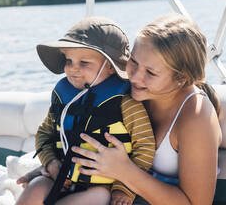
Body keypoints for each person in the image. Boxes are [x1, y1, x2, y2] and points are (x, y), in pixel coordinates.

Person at [70, 13, 222, 205]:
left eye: (150, 72)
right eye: (133, 61)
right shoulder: (127, 94)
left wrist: (125, 171)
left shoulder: (196, 118)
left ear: (181, 78)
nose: (134, 77)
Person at [16, 17, 155, 205]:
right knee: (35, 187)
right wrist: (51, 163)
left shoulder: (125, 103)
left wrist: (124, 189)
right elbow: (43, 133)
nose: (73, 68)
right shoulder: (62, 97)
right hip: (59, 176)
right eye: (68, 60)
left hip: (103, 185)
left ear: (110, 67)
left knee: (99, 197)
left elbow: (145, 147)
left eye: (84, 63)